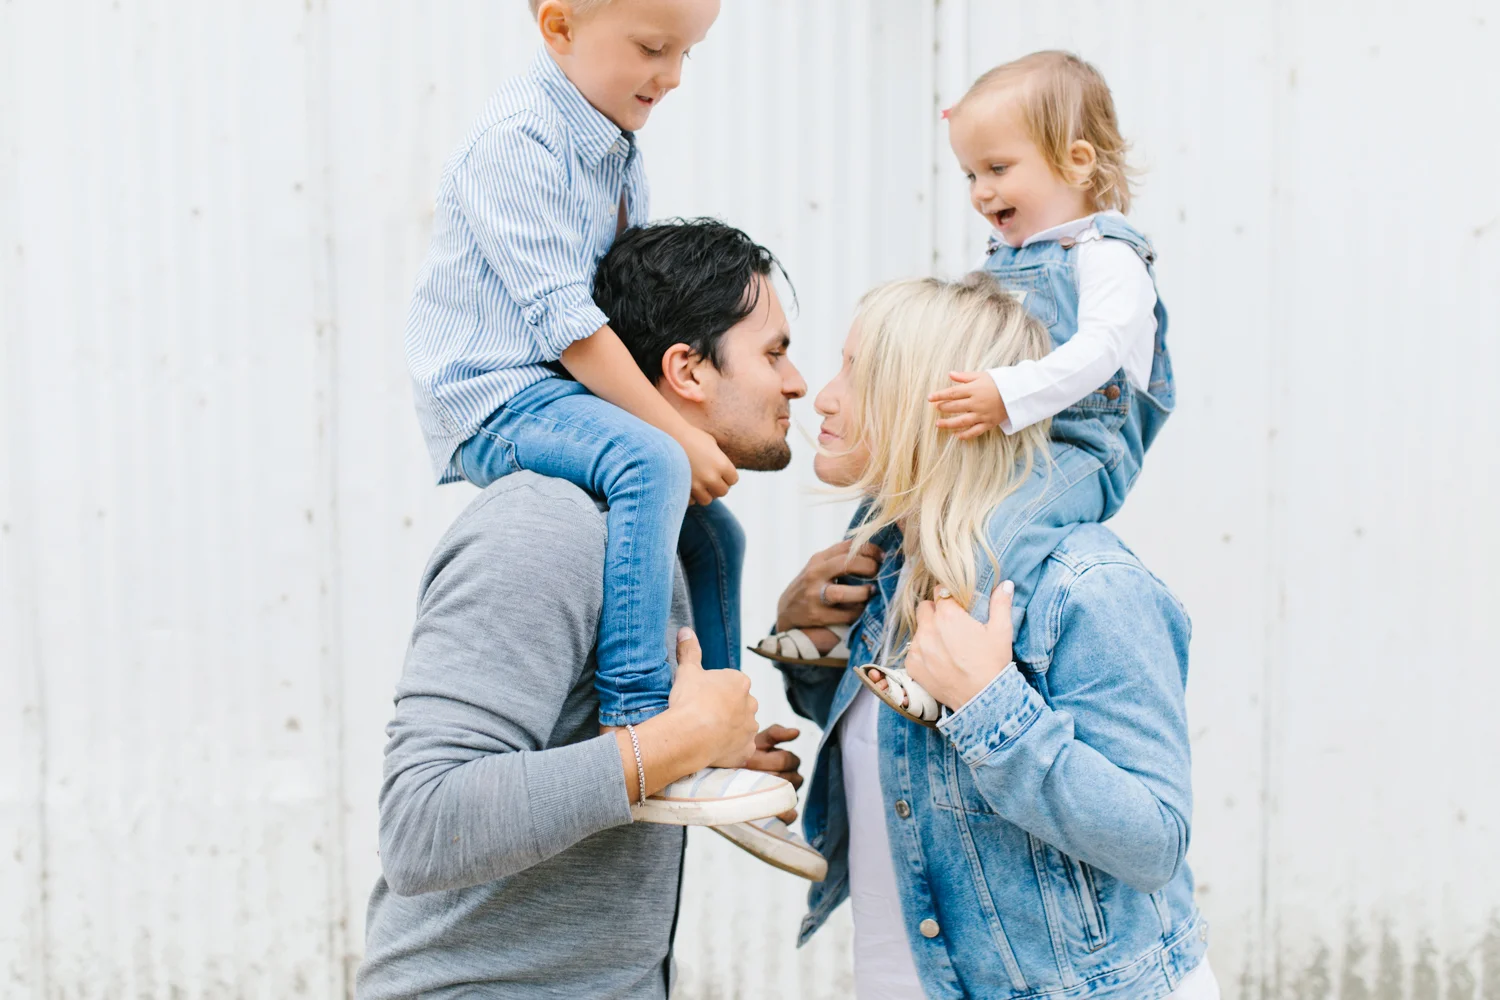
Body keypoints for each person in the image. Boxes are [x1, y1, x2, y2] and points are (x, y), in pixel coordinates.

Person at [357, 220, 819, 1000]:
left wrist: (704, 752)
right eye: (773, 352)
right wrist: (673, 743)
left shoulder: (670, 537)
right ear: (688, 371)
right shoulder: (546, 527)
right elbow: (422, 826)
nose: (798, 382)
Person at [771, 274, 1218, 998]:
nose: (823, 396)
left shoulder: (1088, 587)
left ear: (934, 406)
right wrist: (807, 643)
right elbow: (905, 766)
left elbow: (1155, 841)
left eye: (858, 372)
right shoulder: (891, 570)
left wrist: (992, 706)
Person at [402, 0, 773, 818]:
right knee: (650, 461)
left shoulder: (613, 146)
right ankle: (640, 719)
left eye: (687, 54)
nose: (671, 76)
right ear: (559, 25)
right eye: (652, 47)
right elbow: (570, 324)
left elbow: (622, 305)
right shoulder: (516, 144)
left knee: (715, 531)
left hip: (557, 390)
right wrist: (672, 428)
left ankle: (716, 724)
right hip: (493, 392)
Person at [753, 51, 1175, 731]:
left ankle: (944, 674)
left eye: (998, 170)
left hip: (1079, 443)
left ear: (1077, 161)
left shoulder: (1108, 257)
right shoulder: (1005, 257)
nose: (981, 192)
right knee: (880, 518)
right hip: (1009, 423)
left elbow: (1098, 355)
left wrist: (1007, 392)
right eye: (971, 174)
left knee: (995, 537)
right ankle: (835, 641)